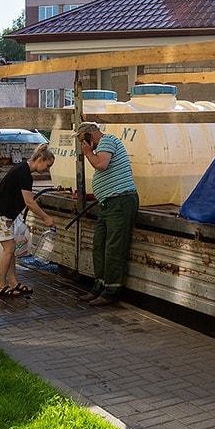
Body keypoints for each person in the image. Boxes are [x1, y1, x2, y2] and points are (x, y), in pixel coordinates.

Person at [74, 122, 139, 306]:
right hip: (109, 203)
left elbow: (102, 164)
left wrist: (88, 153)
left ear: (89, 135)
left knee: (113, 248)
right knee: (99, 245)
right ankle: (99, 286)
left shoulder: (107, 141)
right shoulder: (102, 147)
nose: (82, 145)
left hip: (120, 202)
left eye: (82, 140)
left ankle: (111, 291)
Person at [0, 143, 57, 297]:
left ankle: (13, 283)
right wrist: (46, 218)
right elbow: (30, 201)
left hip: (4, 214)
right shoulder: (24, 173)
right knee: (9, 249)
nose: (47, 169)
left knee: (11, 250)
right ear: (40, 159)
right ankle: (0, 286)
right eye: (47, 165)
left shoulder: (23, 170)